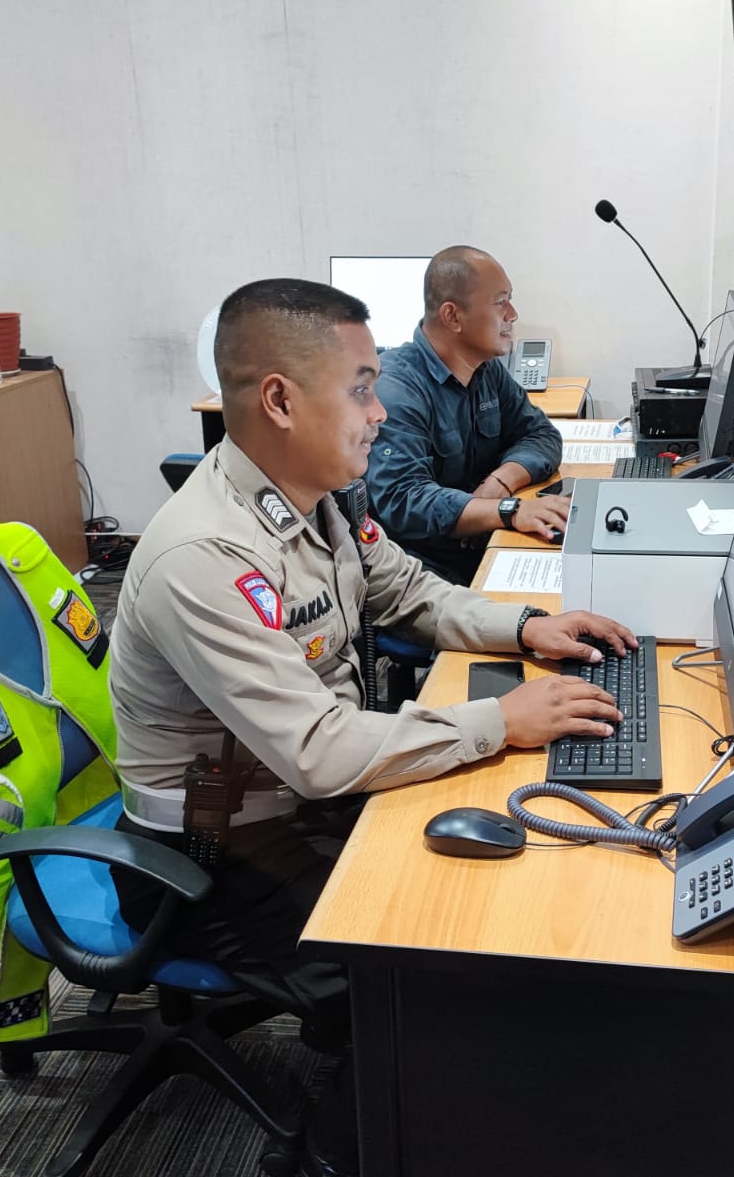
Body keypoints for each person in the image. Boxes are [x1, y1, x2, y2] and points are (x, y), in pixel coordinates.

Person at [107, 278, 637, 1177]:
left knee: (488, 892)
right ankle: (327, 1156)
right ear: (280, 401)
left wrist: (526, 627)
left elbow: (410, 591)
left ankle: (352, 1029)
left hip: (293, 804)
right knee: (428, 966)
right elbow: (318, 753)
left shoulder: (321, 498)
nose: (380, 413)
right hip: (210, 856)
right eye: (360, 389)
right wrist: (499, 719)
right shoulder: (206, 556)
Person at [365, 245, 569, 584]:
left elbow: (540, 434)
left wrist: (500, 482)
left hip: (482, 544)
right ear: (452, 316)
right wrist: (508, 510)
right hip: (424, 571)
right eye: (500, 302)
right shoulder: (397, 389)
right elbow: (404, 500)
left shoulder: (486, 370)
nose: (513, 314)